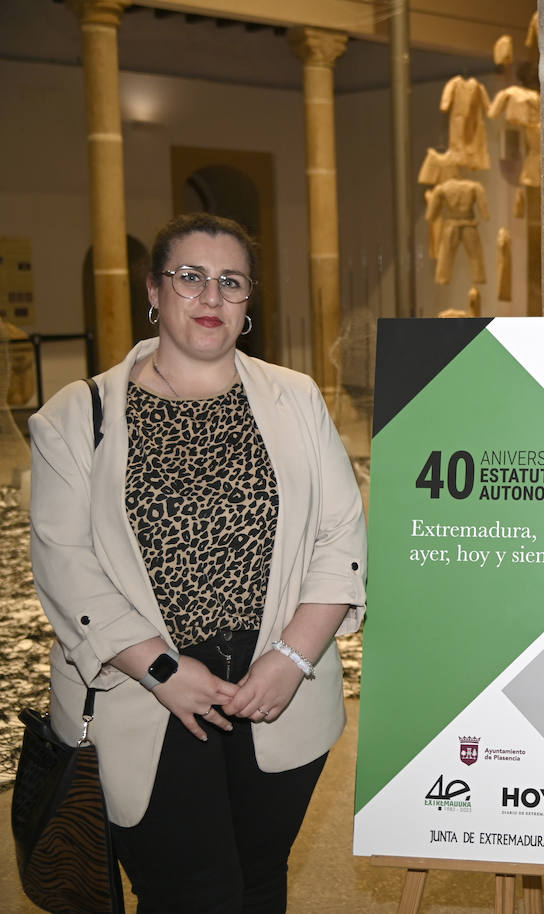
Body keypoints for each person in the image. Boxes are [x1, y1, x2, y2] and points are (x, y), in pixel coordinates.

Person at [29, 212, 367, 912]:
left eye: (231, 282)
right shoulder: (75, 414)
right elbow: (65, 563)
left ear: (247, 305)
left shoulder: (295, 397)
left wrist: (291, 660)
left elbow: (342, 537)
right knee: (189, 893)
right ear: (154, 291)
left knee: (258, 881)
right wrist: (161, 669)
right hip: (143, 693)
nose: (211, 297)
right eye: (191, 278)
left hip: (276, 689)